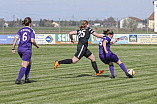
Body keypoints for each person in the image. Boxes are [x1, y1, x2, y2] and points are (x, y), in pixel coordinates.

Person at [12, 17, 39, 84]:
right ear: (30, 23)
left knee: (29, 62)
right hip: (26, 49)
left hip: (20, 49)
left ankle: (27, 79)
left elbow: (15, 39)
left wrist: (13, 48)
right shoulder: (31, 31)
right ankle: (18, 80)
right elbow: (32, 41)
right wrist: (36, 45)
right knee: (24, 65)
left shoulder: (20, 30)